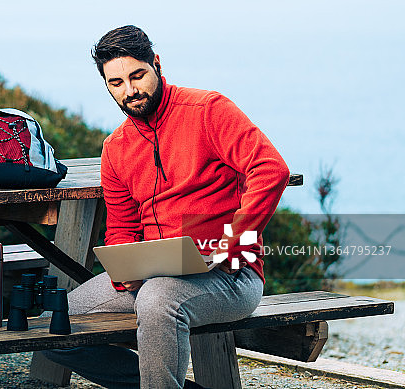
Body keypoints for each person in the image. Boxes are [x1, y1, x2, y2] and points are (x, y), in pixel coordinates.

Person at [39, 25, 290, 389]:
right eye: (116, 83)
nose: (130, 90)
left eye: (137, 75)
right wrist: (124, 267)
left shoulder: (208, 110)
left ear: (156, 63)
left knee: (158, 300)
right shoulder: (116, 148)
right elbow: (122, 228)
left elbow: (271, 169)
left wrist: (232, 240)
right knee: (55, 322)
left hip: (230, 275)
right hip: (152, 277)